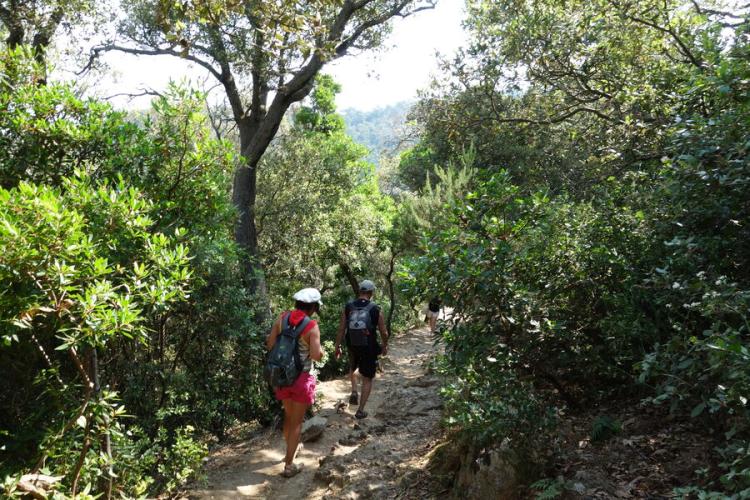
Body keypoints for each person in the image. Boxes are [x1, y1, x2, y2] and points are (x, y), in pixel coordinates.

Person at [265, 288, 324, 478]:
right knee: (297, 422)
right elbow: (316, 355)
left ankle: (289, 452)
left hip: (281, 376)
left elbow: (270, 344)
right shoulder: (311, 326)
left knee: (288, 417)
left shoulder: (281, 319)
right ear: (313, 307)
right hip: (300, 378)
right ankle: (289, 465)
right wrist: (319, 352)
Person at [334, 279, 389, 419]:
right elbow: (383, 332)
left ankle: (354, 390)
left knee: (353, 367)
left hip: (352, 343)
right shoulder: (375, 308)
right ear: (370, 293)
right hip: (368, 346)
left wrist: (337, 346)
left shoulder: (349, 306)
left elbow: (341, 328)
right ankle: (360, 410)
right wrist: (384, 345)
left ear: (359, 291)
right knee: (368, 378)